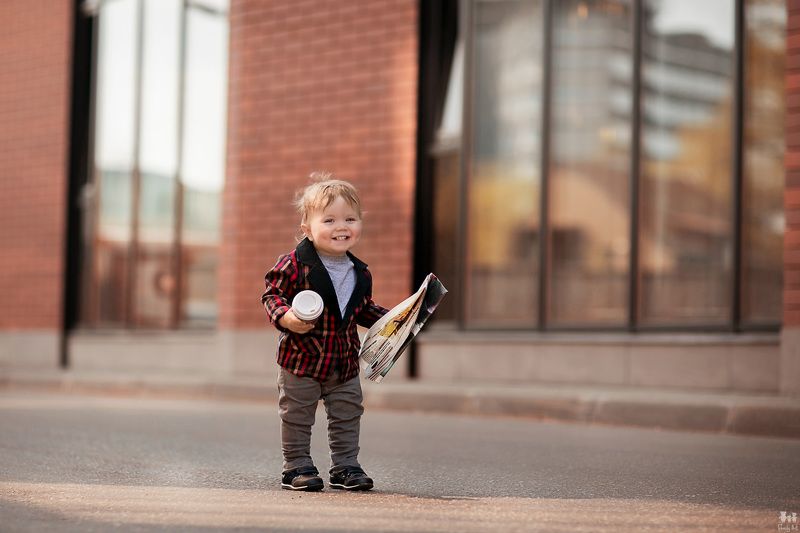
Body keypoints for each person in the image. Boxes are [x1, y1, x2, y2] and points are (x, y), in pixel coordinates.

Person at [261, 172, 389, 492]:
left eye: (350, 218)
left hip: (343, 361)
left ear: (360, 223)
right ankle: (297, 465)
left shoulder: (360, 272)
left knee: (347, 413)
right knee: (297, 414)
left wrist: (395, 321)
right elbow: (272, 295)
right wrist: (287, 317)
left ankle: (345, 465)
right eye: (329, 220)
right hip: (302, 359)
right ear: (307, 228)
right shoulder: (294, 263)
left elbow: (361, 309)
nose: (341, 227)